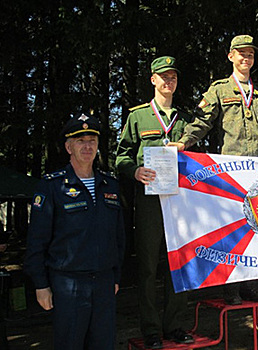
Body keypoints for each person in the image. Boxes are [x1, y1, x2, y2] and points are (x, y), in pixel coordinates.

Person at [169, 35, 258, 305]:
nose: (246, 58)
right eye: (241, 54)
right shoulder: (219, 90)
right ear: (230, 56)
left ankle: (251, 285)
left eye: (251, 55)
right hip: (231, 171)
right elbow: (203, 121)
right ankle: (231, 287)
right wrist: (184, 142)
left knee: (256, 229)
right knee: (233, 228)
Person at [24, 112, 125, 350]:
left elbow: (119, 237)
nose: (87, 146)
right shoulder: (52, 186)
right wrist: (41, 284)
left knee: (103, 344)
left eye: (92, 140)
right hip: (68, 283)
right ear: (69, 147)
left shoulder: (109, 184)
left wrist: (116, 276)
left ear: (98, 145)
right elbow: (37, 240)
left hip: (103, 282)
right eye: (81, 141)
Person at [116, 56, 194, 347]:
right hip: (149, 202)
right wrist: (134, 170)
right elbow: (121, 156)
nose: (168, 81)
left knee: (180, 263)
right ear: (153, 79)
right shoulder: (138, 116)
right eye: (163, 76)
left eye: (173, 77)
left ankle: (174, 325)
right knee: (148, 267)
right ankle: (150, 328)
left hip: (180, 202)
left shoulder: (185, 120)